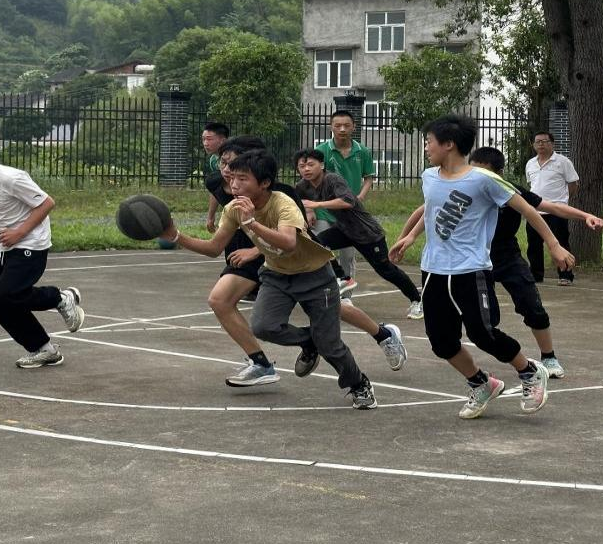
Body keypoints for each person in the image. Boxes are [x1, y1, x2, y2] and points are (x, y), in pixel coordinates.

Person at [160, 149, 382, 409]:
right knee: (264, 326)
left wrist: (252, 223)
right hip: (277, 275)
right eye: (233, 178)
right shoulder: (233, 208)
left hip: (316, 278)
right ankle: (309, 341)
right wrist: (176, 236)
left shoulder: (284, 204)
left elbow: (288, 243)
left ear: (264, 183)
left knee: (331, 346)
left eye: (242, 179)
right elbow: (213, 248)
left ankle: (358, 384)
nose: (234, 184)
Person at [390, 115, 574, 419]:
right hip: (434, 270)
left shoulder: (484, 180)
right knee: (441, 341)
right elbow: (433, 210)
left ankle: (529, 371)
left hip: (471, 269)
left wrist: (554, 244)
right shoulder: (429, 176)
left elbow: (529, 209)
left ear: (449, 144)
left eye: (429, 140)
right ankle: (480, 383)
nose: (426, 146)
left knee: (483, 333)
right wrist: (409, 237)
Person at [201, 139, 408, 387]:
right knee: (222, 301)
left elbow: (294, 235)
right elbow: (222, 214)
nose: (226, 170)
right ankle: (261, 362)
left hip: (288, 254)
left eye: (231, 164)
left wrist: (254, 250)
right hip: (265, 257)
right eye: (223, 163)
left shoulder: (282, 193)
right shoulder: (222, 184)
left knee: (334, 308)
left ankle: (382, 334)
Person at [0, 124, 83, 369]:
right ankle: (44, 349)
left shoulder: (10, 178)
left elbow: (47, 203)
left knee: (8, 293)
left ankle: (60, 298)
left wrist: (20, 232)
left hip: (31, 239)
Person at [467, 146, 603, 380]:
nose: (480, 178)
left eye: (486, 173)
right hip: (475, 261)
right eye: (475, 172)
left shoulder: (510, 192)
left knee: (532, 306)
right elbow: (428, 210)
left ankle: (548, 356)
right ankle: (501, 361)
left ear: (498, 174)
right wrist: (408, 237)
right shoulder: (464, 190)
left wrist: (585, 216)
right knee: (487, 320)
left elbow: (550, 207)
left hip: (508, 258)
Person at [294, 148, 424, 319]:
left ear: (322, 165)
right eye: (302, 166)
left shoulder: (333, 179)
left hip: (367, 233)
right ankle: (343, 277)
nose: (306, 169)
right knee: (316, 243)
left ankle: (418, 301)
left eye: (311, 164)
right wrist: (310, 211)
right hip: (344, 230)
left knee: (386, 270)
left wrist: (316, 205)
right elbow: (303, 203)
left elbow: (347, 201)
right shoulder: (302, 186)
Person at [315, 110, 378, 297]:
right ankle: (325, 291)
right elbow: (313, 180)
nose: (342, 129)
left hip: (350, 213)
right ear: (331, 127)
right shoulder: (322, 151)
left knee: (348, 255)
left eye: (346, 125)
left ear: (354, 127)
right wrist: (311, 210)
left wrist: (360, 197)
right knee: (321, 250)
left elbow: (368, 178)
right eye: (337, 125)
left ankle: (346, 297)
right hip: (325, 210)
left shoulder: (362, 151)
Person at [524, 131, 579, 285]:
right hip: (535, 210)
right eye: (537, 142)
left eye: (544, 141)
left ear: (552, 144)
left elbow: (573, 185)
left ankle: (565, 275)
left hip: (557, 210)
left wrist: (562, 200)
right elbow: (532, 185)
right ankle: (536, 274)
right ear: (534, 145)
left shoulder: (563, 162)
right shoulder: (530, 163)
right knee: (533, 244)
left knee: (560, 242)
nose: (540, 144)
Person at [202, 122, 230, 232]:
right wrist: (210, 216)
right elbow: (215, 189)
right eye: (203, 139)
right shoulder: (214, 160)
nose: (205, 143)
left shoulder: (235, 157)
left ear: (222, 140)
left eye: (209, 139)